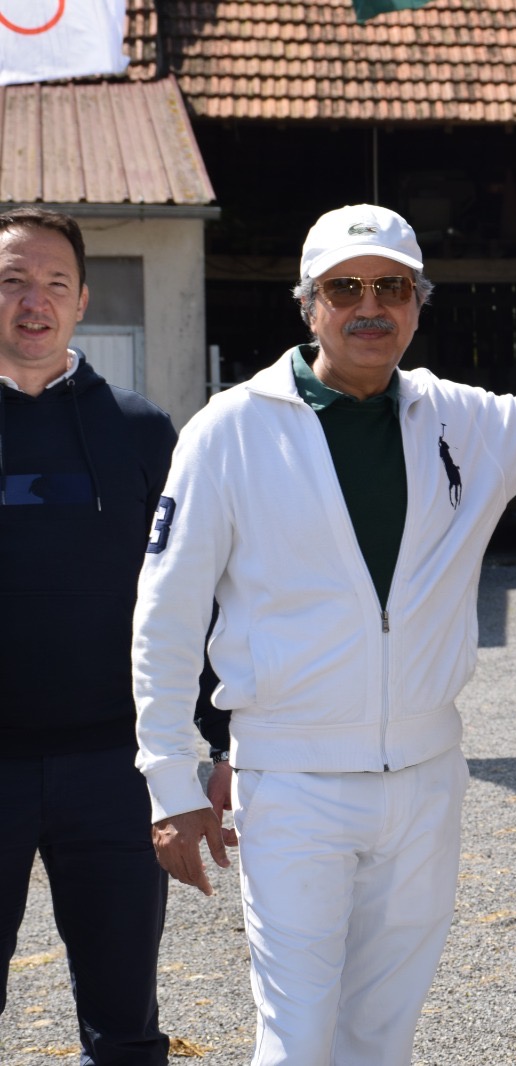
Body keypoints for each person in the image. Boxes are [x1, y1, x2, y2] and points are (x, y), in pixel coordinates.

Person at [131, 204, 516, 1065]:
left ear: (418, 304)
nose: (368, 306)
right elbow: (167, 614)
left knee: (382, 1037)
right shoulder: (229, 431)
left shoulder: (461, 420)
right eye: (345, 288)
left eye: (392, 288)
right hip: (291, 783)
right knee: (297, 1038)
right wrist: (168, 782)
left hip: (424, 782)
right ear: (309, 305)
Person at [0, 208, 177, 1064]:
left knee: (124, 1023)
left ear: (80, 302)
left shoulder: (141, 432)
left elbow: (190, 601)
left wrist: (197, 747)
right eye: (11, 282)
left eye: (53, 285)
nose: (33, 302)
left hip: (112, 769)